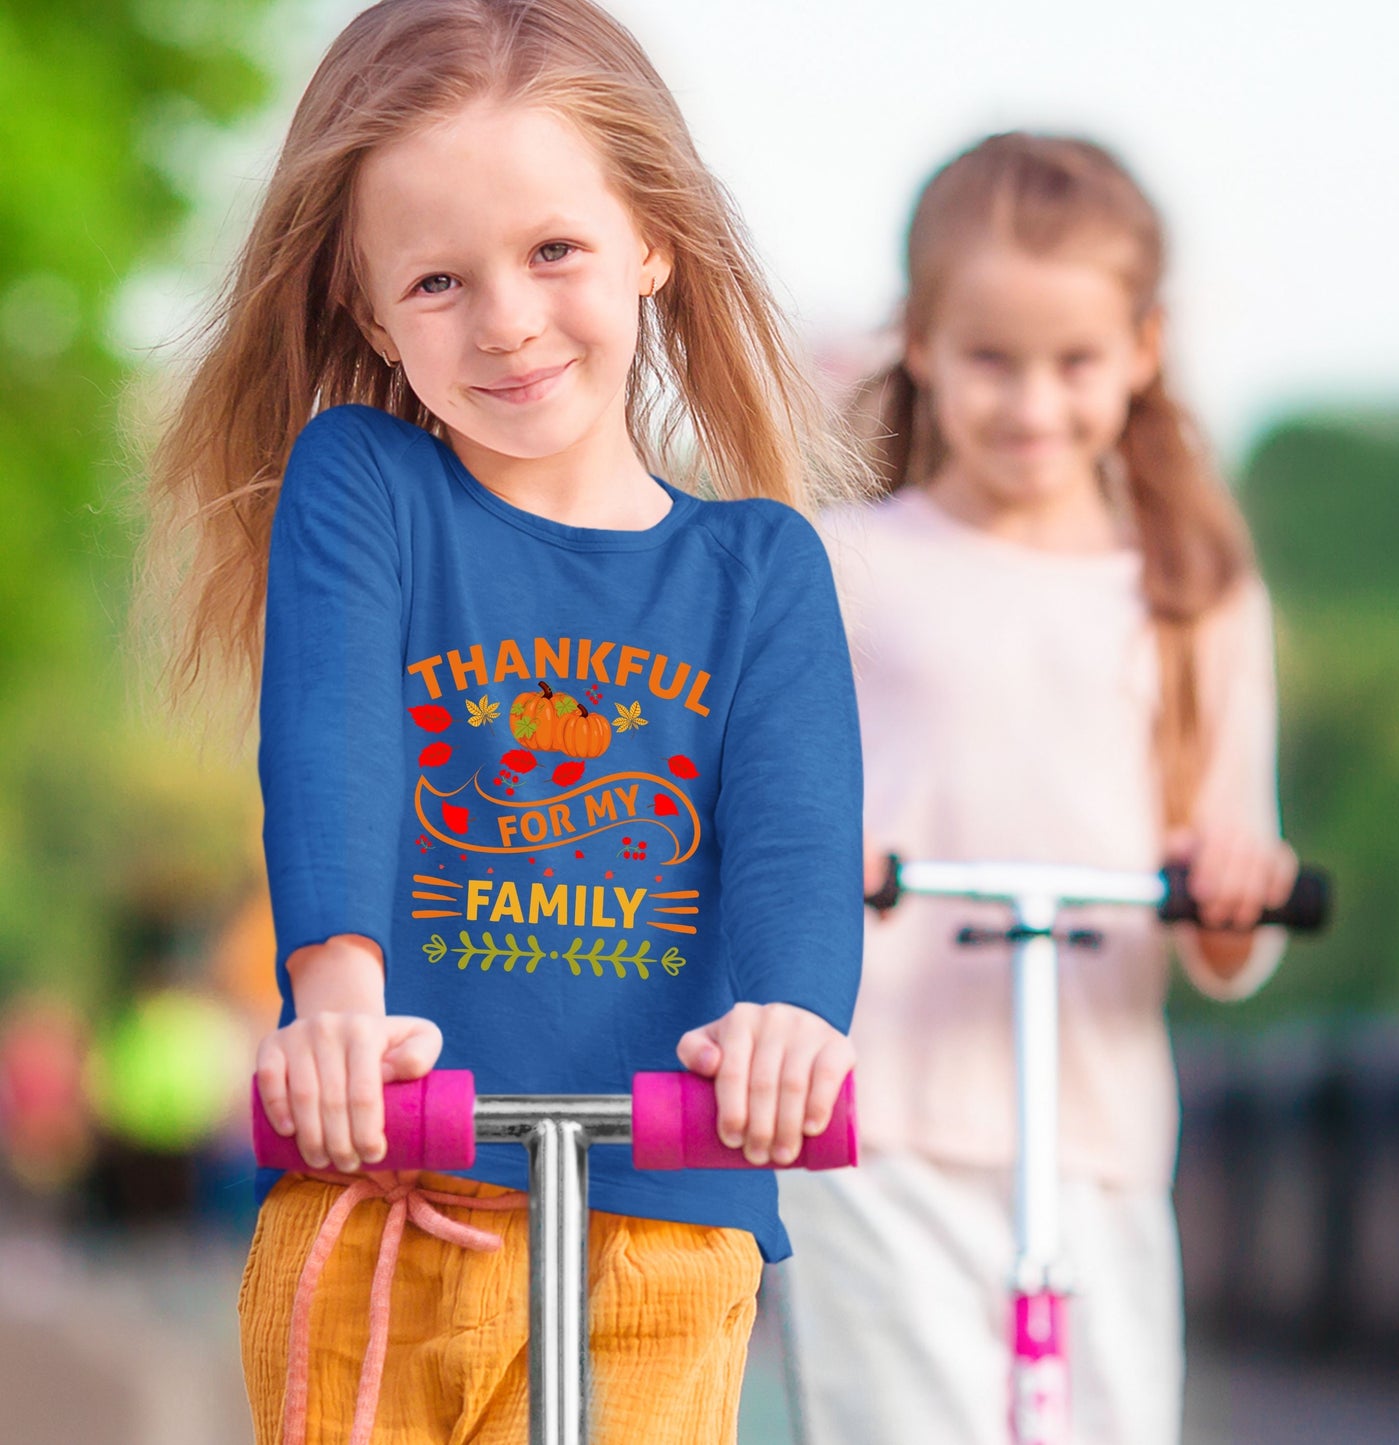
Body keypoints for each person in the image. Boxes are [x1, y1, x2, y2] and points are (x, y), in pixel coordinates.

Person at [140, 2, 866, 1440]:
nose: (509, 320)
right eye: (436, 281)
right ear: (366, 309)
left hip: (659, 1227)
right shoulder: (367, 487)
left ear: (650, 238)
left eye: (553, 250)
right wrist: (338, 998)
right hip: (396, 1202)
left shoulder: (758, 564)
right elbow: (332, 729)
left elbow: (793, 826)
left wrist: (792, 1019)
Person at [776, 132, 1299, 1445]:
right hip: (881, 1116)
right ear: (919, 345)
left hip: (1097, 1129)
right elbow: (760, 808)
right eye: (989, 360)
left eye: (1072, 363)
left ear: (1141, 347)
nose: (1031, 404)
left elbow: (1225, 914)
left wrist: (1234, 884)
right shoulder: (842, 567)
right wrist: (808, 851)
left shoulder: (1191, 598)